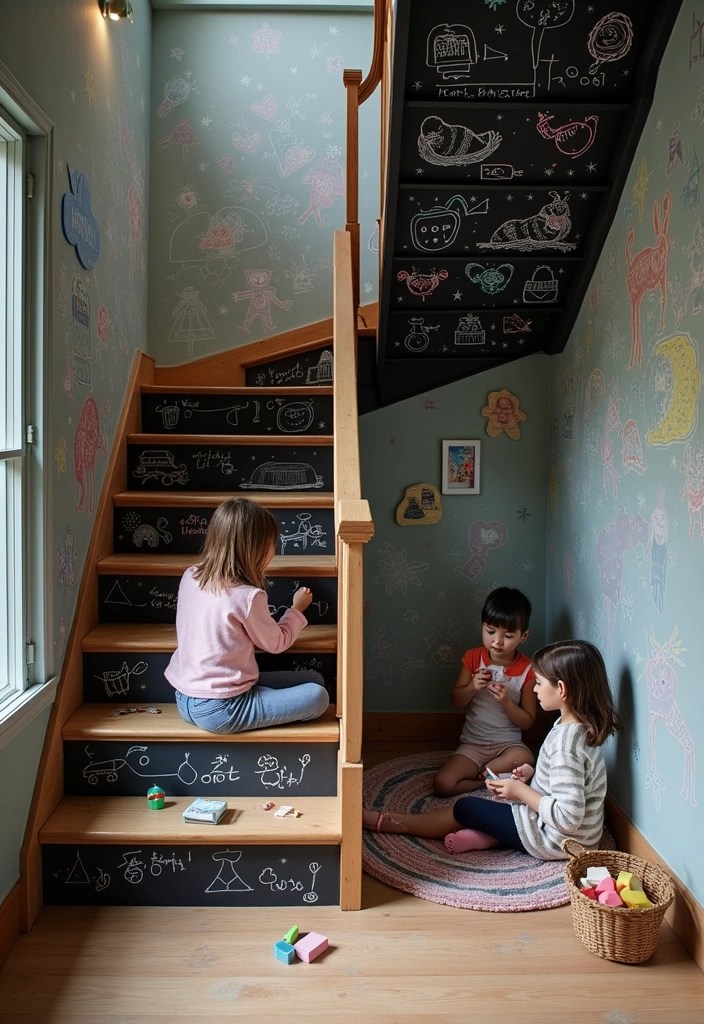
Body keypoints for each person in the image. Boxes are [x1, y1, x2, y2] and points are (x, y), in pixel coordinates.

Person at [364, 640, 621, 860]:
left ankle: (393, 823)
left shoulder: (567, 744)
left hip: (555, 841)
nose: (533, 688)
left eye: (539, 683)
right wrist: (532, 775)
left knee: (465, 808)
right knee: (493, 809)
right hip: (569, 835)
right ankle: (486, 837)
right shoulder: (576, 727)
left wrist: (520, 791)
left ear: (561, 689)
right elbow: (568, 783)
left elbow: (568, 817)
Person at [165, 497, 329, 734]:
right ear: (258, 548)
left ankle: (264, 700)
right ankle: (262, 705)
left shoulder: (191, 576)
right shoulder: (247, 596)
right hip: (221, 708)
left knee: (314, 677)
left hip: (185, 697)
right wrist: (296, 609)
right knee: (318, 696)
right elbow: (276, 642)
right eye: (273, 544)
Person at [432, 587, 537, 797]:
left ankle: (489, 772)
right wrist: (472, 686)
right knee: (443, 784)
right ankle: (482, 782)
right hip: (473, 744)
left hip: (507, 746)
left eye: (507, 635)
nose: (497, 641)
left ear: (523, 636)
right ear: (482, 626)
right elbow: (456, 700)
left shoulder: (528, 669)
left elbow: (527, 721)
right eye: (490, 631)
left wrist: (507, 702)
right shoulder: (473, 658)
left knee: (526, 757)